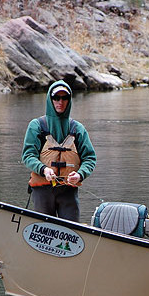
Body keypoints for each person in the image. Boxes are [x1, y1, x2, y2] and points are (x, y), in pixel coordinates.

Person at [21, 80, 97, 221]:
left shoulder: (78, 129)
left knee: (71, 231)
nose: (60, 102)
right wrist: (44, 169)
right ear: (50, 99)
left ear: (69, 100)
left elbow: (90, 158)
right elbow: (28, 156)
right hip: (42, 191)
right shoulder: (36, 126)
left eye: (64, 98)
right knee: (44, 230)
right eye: (56, 98)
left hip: (68, 191)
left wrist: (80, 175)